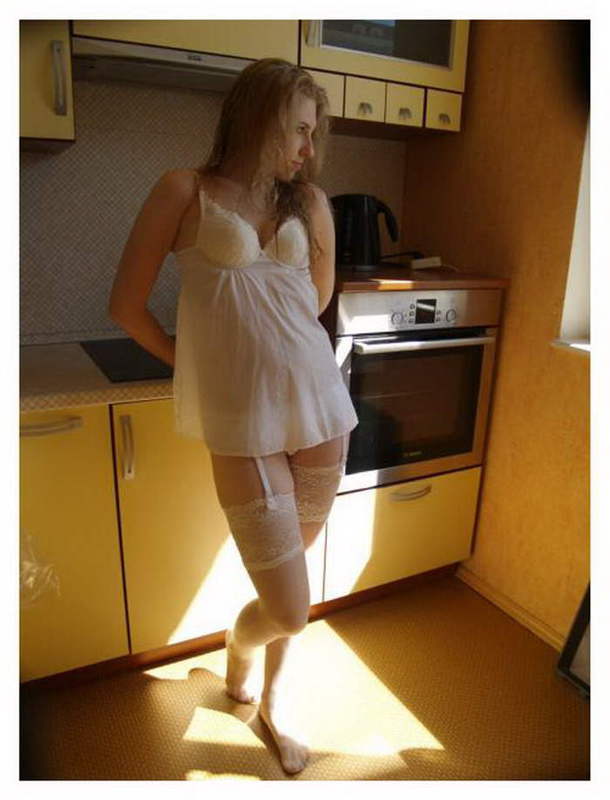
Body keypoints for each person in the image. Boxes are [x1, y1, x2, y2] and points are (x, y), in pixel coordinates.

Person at [108, 57, 359, 774]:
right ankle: (238, 648)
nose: (308, 148)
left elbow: (313, 302)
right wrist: (194, 363)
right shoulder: (182, 190)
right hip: (242, 425)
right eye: (299, 129)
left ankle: (275, 699)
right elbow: (126, 307)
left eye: (313, 133)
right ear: (259, 116)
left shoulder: (310, 203)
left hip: (321, 412)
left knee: (291, 583)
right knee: (289, 607)